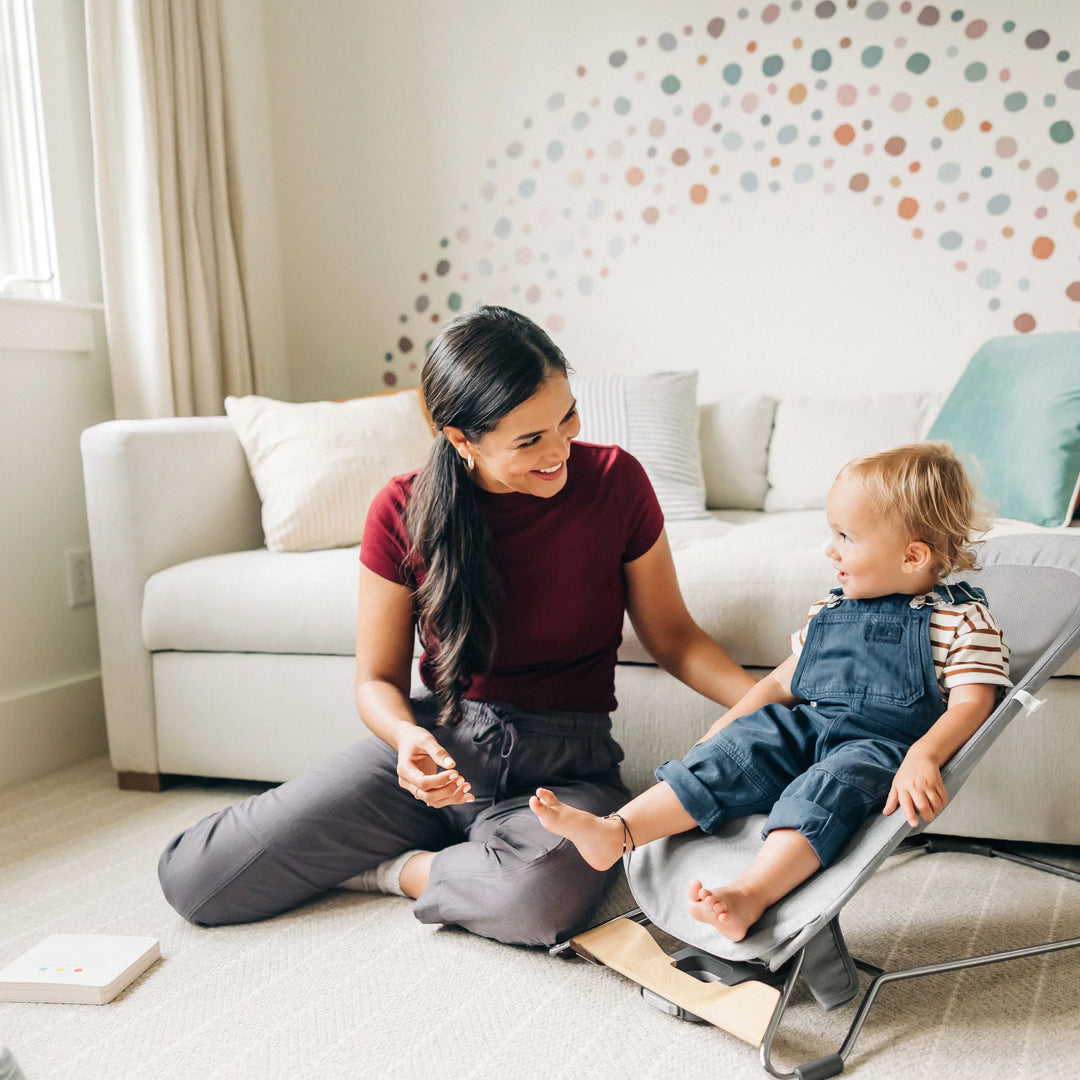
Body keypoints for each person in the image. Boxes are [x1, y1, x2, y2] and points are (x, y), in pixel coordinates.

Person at [157, 305, 755, 946]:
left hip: (566, 770)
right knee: (198, 878)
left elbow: (673, 636)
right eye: (529, 440)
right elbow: (376, 681)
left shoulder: (616, 482)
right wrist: (405, 741)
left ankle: (402, 870)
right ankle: (460, 854)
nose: (559, 450)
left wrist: (770, 700)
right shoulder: (402, 508)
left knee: (536, 904)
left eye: (567, 418)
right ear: (460, 439)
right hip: (441, 744)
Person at [530, 442, 1011, 943]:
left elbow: (974, 701)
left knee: (825, 789)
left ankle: (749, 894)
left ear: (912, 556)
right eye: (832, 533)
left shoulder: (959, 620)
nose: (831, 549)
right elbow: (781, 681)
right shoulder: (832, 610)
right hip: (811, 726)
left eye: (846, 537)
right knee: (742, 746)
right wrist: (728, 725)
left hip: (879, 748)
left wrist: (923, 755)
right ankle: (617, 832)